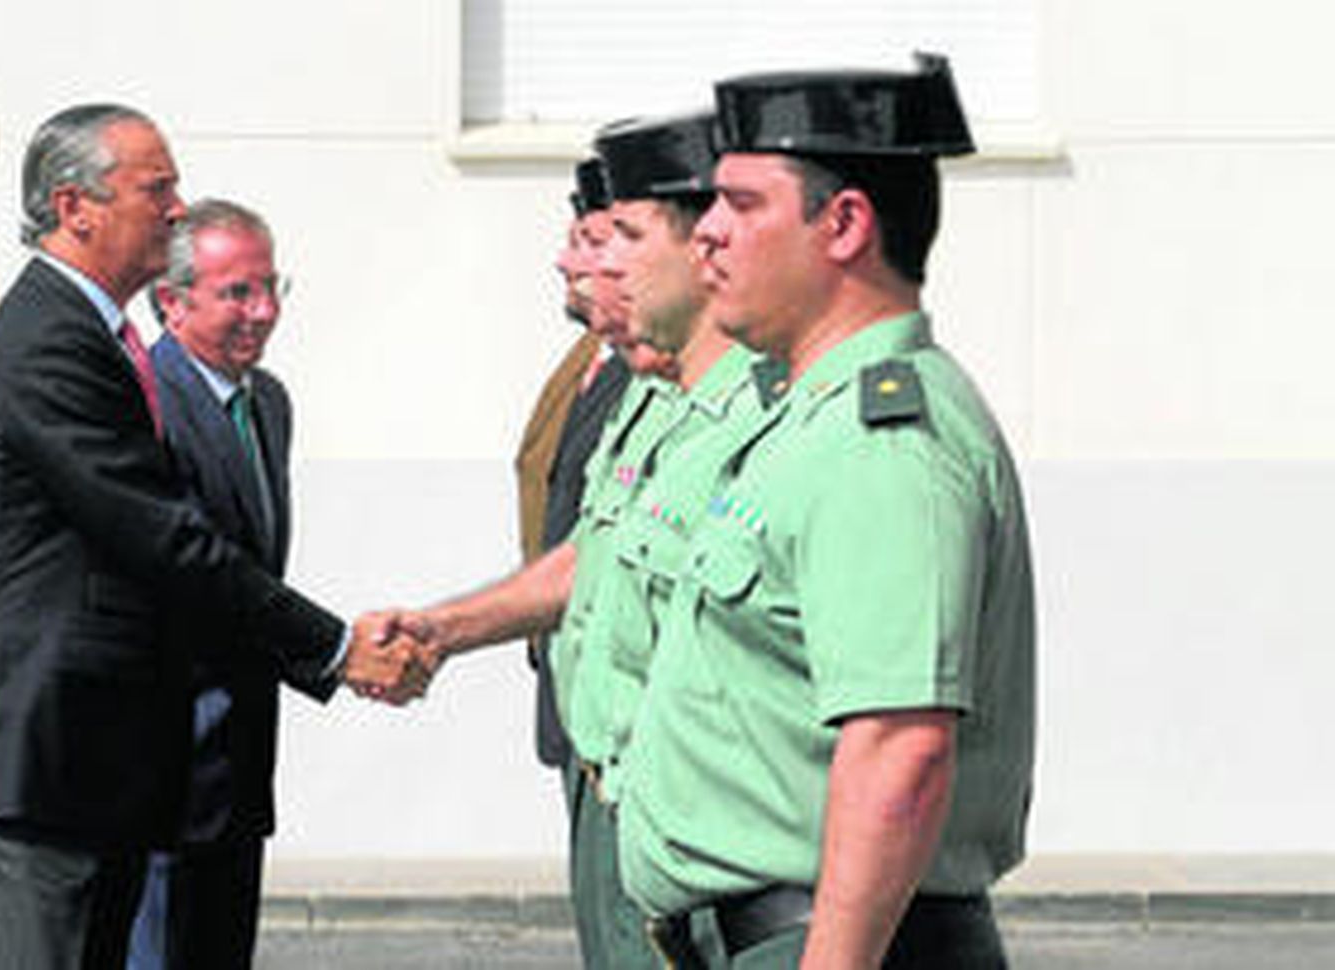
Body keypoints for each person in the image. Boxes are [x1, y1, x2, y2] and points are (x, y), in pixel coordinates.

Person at [0, 104, 423, 970]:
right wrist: (337, 649)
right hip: (29, 771)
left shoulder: (95, 338)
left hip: (88, 776)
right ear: (75, 208)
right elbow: (167, 541)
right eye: (157, 189)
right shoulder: (50, 345)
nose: (177, 209)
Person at [615, 55, 1036, 969]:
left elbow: (900, 750)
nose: (707, 233)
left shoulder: (880, 443)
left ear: (844, 225)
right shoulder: (808, 422)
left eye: (742, 205)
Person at [377, 111, 748, 968]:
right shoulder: (660, 394)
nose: (596, 263)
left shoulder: (777, 411)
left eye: (624, 235)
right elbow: (595, 554)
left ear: (708, 248)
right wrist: (443, 629)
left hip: (704, 820)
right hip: (617, 780)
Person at [117, 199, 314, 969]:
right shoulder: (143, 402)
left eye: (271, 287)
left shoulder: (269, 404)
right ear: (172, 301)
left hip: (240, 767)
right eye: (238, 292)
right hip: (164, 770)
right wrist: (337, 653)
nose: (263, 311)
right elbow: (195, 572)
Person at [515, 157, 630, 773]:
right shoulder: (588, 358)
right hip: (570, 671)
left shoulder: (657, 372)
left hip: (617, 701)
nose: (567, 261)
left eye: (590, 241)